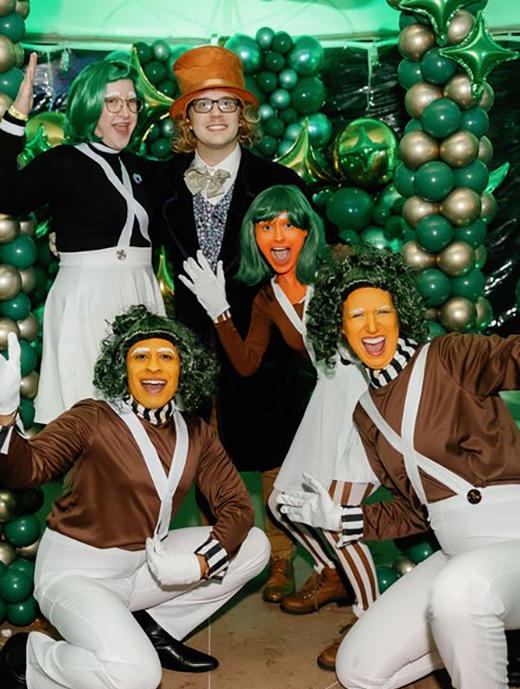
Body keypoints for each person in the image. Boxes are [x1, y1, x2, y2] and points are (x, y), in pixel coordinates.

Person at [279, 172, 520, 689]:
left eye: (381, 310)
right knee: (360, 670)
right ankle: (477, 633)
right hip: (460, 555)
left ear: (401, 314)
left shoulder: (453, 356)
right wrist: (344, 521)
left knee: (460, 590)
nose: (371, 325)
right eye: (356, 316)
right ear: (340, 333)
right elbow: (411, 512)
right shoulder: (363, 413)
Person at [0, 307, 270, 689]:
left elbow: (237, 506)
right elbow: (25, 471)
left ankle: (155, 629)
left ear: (184, 369)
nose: (154, 366)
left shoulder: (196, 432)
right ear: (123, 368)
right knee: (137, 679)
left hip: (145, 567)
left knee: (253, 546)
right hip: (77, 573)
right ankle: (27, 661)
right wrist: (5, 411)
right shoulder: (94, 417)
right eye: (141, 357)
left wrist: (198, 564)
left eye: (166, 356)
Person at [179, 184, 380, 669]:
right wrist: (218, 310)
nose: (278, 235)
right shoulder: (268, 296)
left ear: (307, 228)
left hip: (369, 394)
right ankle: (332, 573)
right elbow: (246, 364)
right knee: (283, 500)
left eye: (289, 223)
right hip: (329, 399)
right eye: (265, 226)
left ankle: (370, 619)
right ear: (254, 236)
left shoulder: (335, 272)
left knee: (339, 509)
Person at [147, 45, 312, 603]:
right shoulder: (161, 182)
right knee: (195, 450)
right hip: (191, 340)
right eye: (203, 106)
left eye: (226, 105)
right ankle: (212, 551)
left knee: (274, 452)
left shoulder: (278, 179)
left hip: (267, 343)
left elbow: (309, 259)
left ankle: (284, 556)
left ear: (243, 116)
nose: (215, 115)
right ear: (185, 120)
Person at [0, 54, 163, 424]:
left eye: (131, 103)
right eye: (112, 102)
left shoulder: (143, 169)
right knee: (88, 411)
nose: (125, 113)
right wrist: (17, 114)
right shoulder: (63, 162)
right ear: (89, 106)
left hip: (142, 292)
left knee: (143, 415)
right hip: (86, 296)